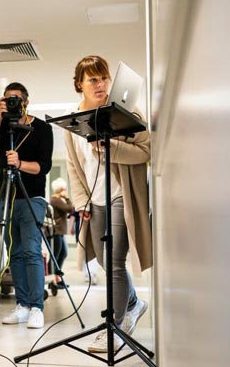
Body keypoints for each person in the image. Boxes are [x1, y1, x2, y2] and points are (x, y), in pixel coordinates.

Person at [64, 55, 152, 353]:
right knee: (102, 260)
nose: (100, 84)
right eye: (93, 79)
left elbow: (144, 152)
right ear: (80, 85)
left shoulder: (126, 112)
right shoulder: (72, 120)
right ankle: (135, 304)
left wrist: (110, 146)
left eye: (103, 78)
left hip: (120, 194)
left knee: (113, 262)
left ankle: (112, 329)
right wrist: (80, 201)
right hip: (95, 199)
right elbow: (74, 167)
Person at [0, 82, 53, 329]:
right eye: (7, 99)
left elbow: (44, 167)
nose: (12, 103)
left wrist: (20, 163)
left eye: (16, 99)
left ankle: (36, 307)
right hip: (8, 197)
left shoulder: (41, 128)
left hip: (33, 197)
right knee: (15, 253)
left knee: (32, 251)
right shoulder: (4, 127)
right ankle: (22, 305)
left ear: (26, 101)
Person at [48, 177, 74, 288]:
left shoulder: (58, 200)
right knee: (56, 255)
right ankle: (53, 280)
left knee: (62, 253)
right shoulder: (55, 200)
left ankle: (57, 278)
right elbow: (70, 209)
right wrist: (67, 198)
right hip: (56, 231)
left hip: (60, 231)